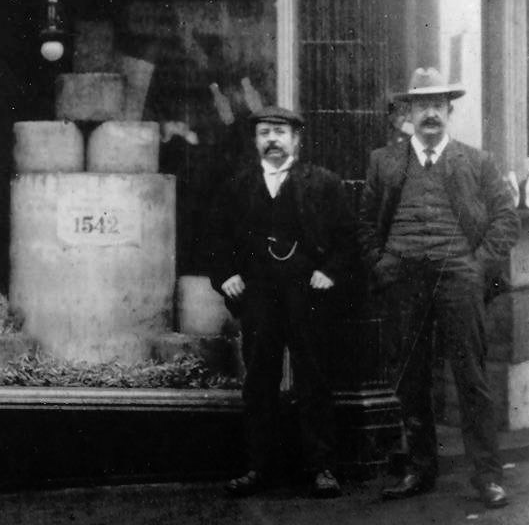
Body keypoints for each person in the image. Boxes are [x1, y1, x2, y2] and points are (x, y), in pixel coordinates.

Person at [360, 68, 515, 509]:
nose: (430, 113)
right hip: (403, 280)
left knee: (471, 377)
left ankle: (486, 476)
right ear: (407, 113)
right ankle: (420, 469)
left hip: (458, 279)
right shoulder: (383, 162)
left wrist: (476, 263)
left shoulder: (477, 161)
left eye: (437, 105)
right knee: (411, 378)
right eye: (420, 105)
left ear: (449, 111)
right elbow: (366, 222)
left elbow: (504, 218)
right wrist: (382, 263)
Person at [205, 106, 356, 498]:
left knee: (314, 379)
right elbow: (215, 238)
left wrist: (330, 271)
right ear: (256, 141)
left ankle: (322, 467)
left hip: (307, 295)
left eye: (280, 132)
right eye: (264, 133)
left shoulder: (324, 183)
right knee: (258, 381)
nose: (272, 140)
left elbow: (347, 239)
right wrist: (225, 276)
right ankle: (259, 467)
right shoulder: (237, 185)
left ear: (296, 140)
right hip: (258, 296)